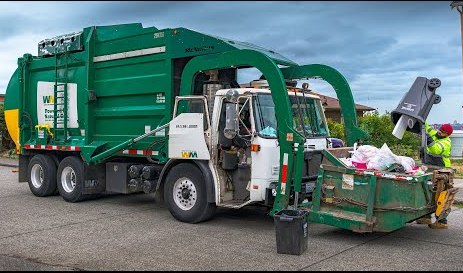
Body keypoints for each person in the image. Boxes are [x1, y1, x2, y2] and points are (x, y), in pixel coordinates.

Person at [415, 121, 453, 229]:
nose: (440, 132)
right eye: (440, 130)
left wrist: (428, 138)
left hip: (442, 170)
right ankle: (426, 217)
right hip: (433, 168)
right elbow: (426, 127)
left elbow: (435, 149)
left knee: (440, 195)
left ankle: (442, 221)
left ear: (447, 135)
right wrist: (420, 119)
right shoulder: (435, 134)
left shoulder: (446, 142)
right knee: (428, 192)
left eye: (443, 132)